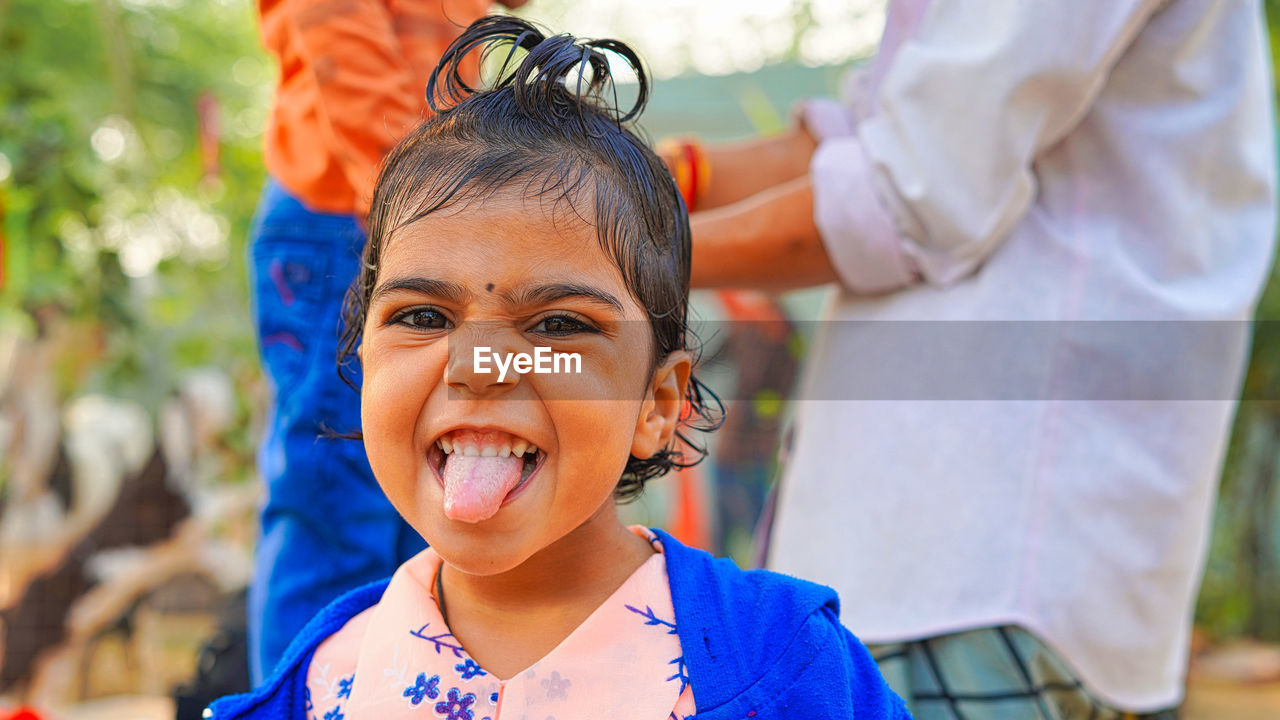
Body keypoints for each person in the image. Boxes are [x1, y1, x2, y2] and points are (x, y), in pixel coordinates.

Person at [209, 17, 911, 719]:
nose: (478, 368)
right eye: (423, 317)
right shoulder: (316, 689)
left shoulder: (789, 666)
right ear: (361, 369)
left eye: (558, 324)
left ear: (658, 404)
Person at [668, 1, 1276, 718]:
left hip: (974, 577)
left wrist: (589, 255)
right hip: (947, 577)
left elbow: (906, 193)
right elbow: (877, 145)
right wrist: (644, 180)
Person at [247, 0, 526, 683]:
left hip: (417, 211)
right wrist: (437, 222)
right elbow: (348, 57)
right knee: (336, 500)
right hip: (356, 214)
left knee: (424, 507)